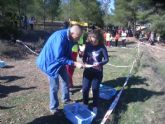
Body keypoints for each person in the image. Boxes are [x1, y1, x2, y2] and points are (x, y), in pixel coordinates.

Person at [36, 25, 84, 114]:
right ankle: (53, 107)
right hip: (49, 63)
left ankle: (66, 99)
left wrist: (74, 61)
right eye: (78, 37)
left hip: (59, 62)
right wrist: (74, 63)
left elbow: (68, 51)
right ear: (72, 33)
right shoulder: (60, 37)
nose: (79, 39)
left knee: (66, 80)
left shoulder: (70, 37)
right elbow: (59, 57)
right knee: (54, 86)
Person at [82, 30, 109, 115]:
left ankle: (95, 106)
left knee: (95, 89)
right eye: (92, 41)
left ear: (99, 39)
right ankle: (85, 103)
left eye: (95, 41)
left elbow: (106, 59)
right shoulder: (88, 45)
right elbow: (84, 57)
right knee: (85, 88)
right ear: (90, 39)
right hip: (88, 71)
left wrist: (100, 63)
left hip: (97, 72)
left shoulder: (102, 47)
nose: (93, 43)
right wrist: (83, 61)